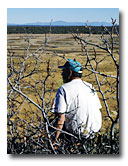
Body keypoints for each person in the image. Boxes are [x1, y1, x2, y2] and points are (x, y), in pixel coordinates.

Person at [51, 58, 102, 143]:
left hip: (76, 134)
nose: (62, 74)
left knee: (52, 123)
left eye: (64, 71)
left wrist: (54, 140)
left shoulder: (64, 89)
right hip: (94, 133)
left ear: (70, 72)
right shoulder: (90, 87)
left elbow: (61, 117)